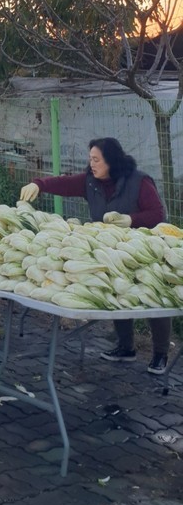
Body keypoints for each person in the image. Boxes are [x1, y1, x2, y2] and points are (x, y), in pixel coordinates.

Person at [20, 136, 170, 375]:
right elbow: (64, 183)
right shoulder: (90, 182)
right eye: (90, 159)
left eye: (96, 159)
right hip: (112, 252)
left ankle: (161, 353)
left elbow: (157, 213)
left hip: (144, 252)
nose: (92, 164)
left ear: (111, 160)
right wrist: (39, 184)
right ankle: (126, 347)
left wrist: (130, 220)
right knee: (118, 293)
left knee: (155, 298)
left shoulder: (139, 181)